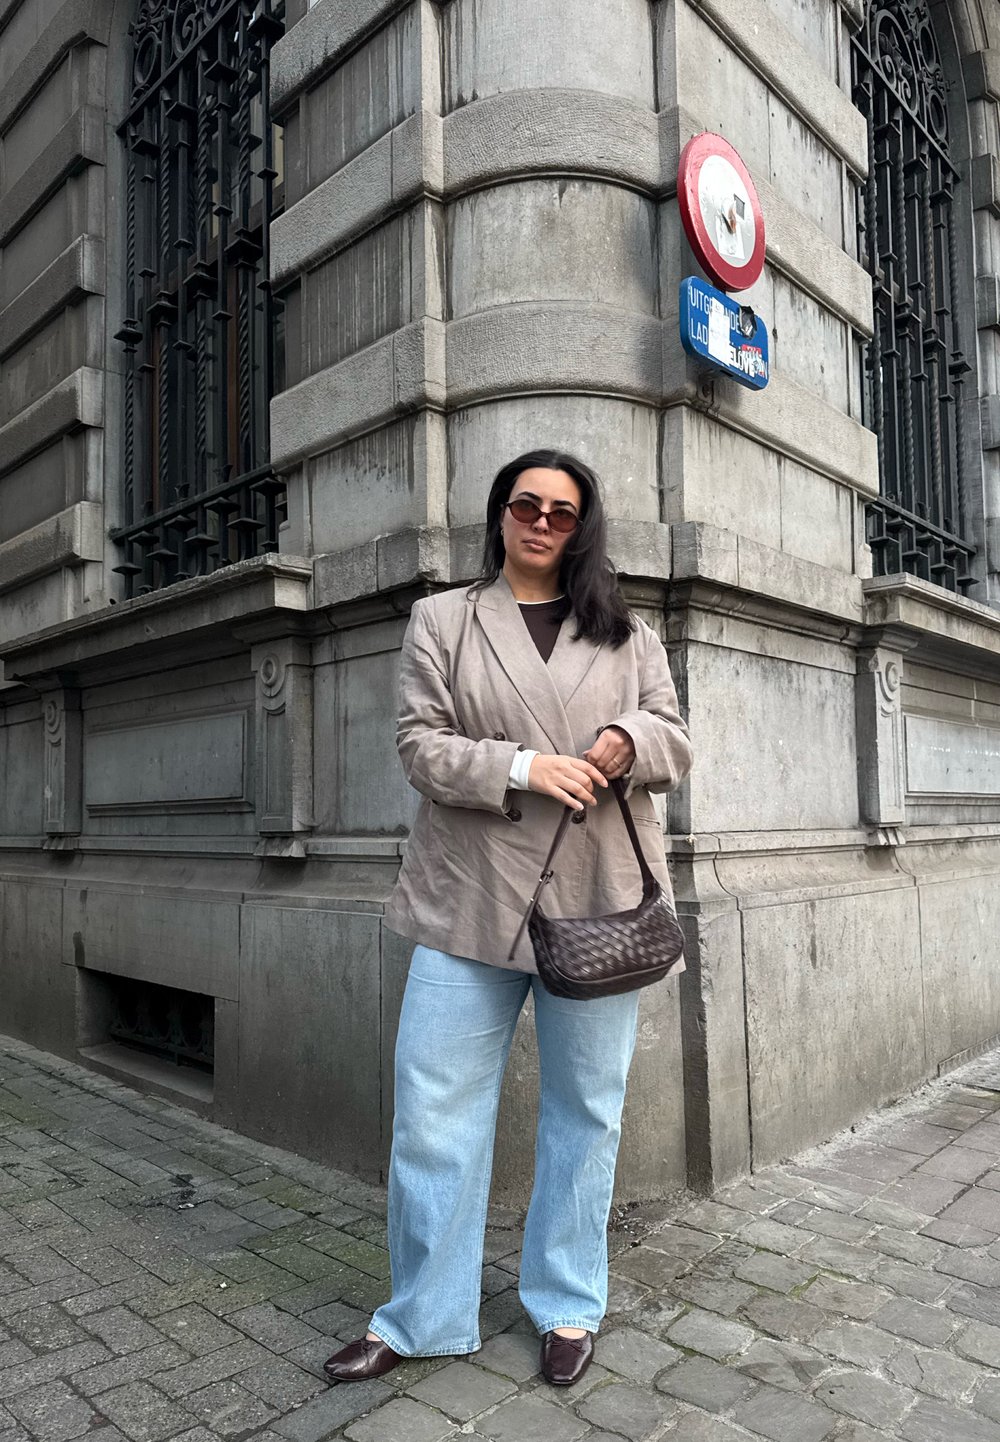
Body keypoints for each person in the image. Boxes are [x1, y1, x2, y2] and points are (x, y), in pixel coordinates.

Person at [323, 449, 693, 1388]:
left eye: (563, 512)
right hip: (470, 896)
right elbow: (419, 746)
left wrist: (627, 740)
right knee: (432, 1116)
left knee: (586, 1111)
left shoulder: (626, 632)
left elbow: (675, 736)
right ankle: (422, 1315)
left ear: (582, 528)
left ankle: (568, 1303)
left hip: (597, 901)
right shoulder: (443, 618)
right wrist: (524, 767)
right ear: (500, 513)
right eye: (527, 505)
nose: (541, 523)